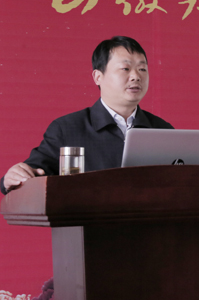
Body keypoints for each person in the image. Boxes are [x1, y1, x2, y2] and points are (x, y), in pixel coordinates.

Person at [0, 36, 173, 195]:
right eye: (125, 68)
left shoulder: (163, 130)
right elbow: (33, 172)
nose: (136, 76)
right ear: (98, 77)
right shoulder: (67, 129)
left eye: (142, 69)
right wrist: (13, 177)